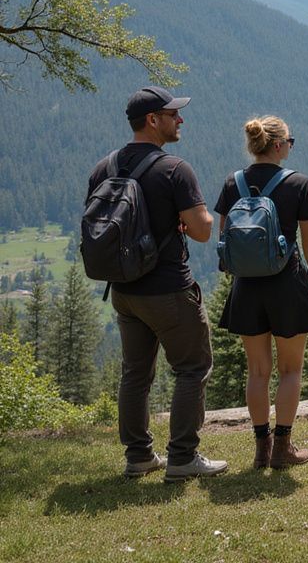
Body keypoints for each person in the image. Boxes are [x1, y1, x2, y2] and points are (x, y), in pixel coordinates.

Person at [85, 86, 227, 482]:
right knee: (192, 367)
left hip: (124, 291)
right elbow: (201, 231)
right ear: (152, 120)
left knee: (135, 374)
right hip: (168, 290)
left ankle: (139, 457)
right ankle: (182, 457)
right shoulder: (174, 169)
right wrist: (193, 218)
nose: (180, 119)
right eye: (172, 114)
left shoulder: (104, 167)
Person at [214, 115, 308, 469]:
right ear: (277, 145)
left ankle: (261, 448)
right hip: (287, 283)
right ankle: (282, 448)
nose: (291, 146)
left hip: (246, 286)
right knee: (290, 370)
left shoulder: (233, 183)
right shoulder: (298, 183)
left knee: (258, 371)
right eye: (290, 141)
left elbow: (224, 238)